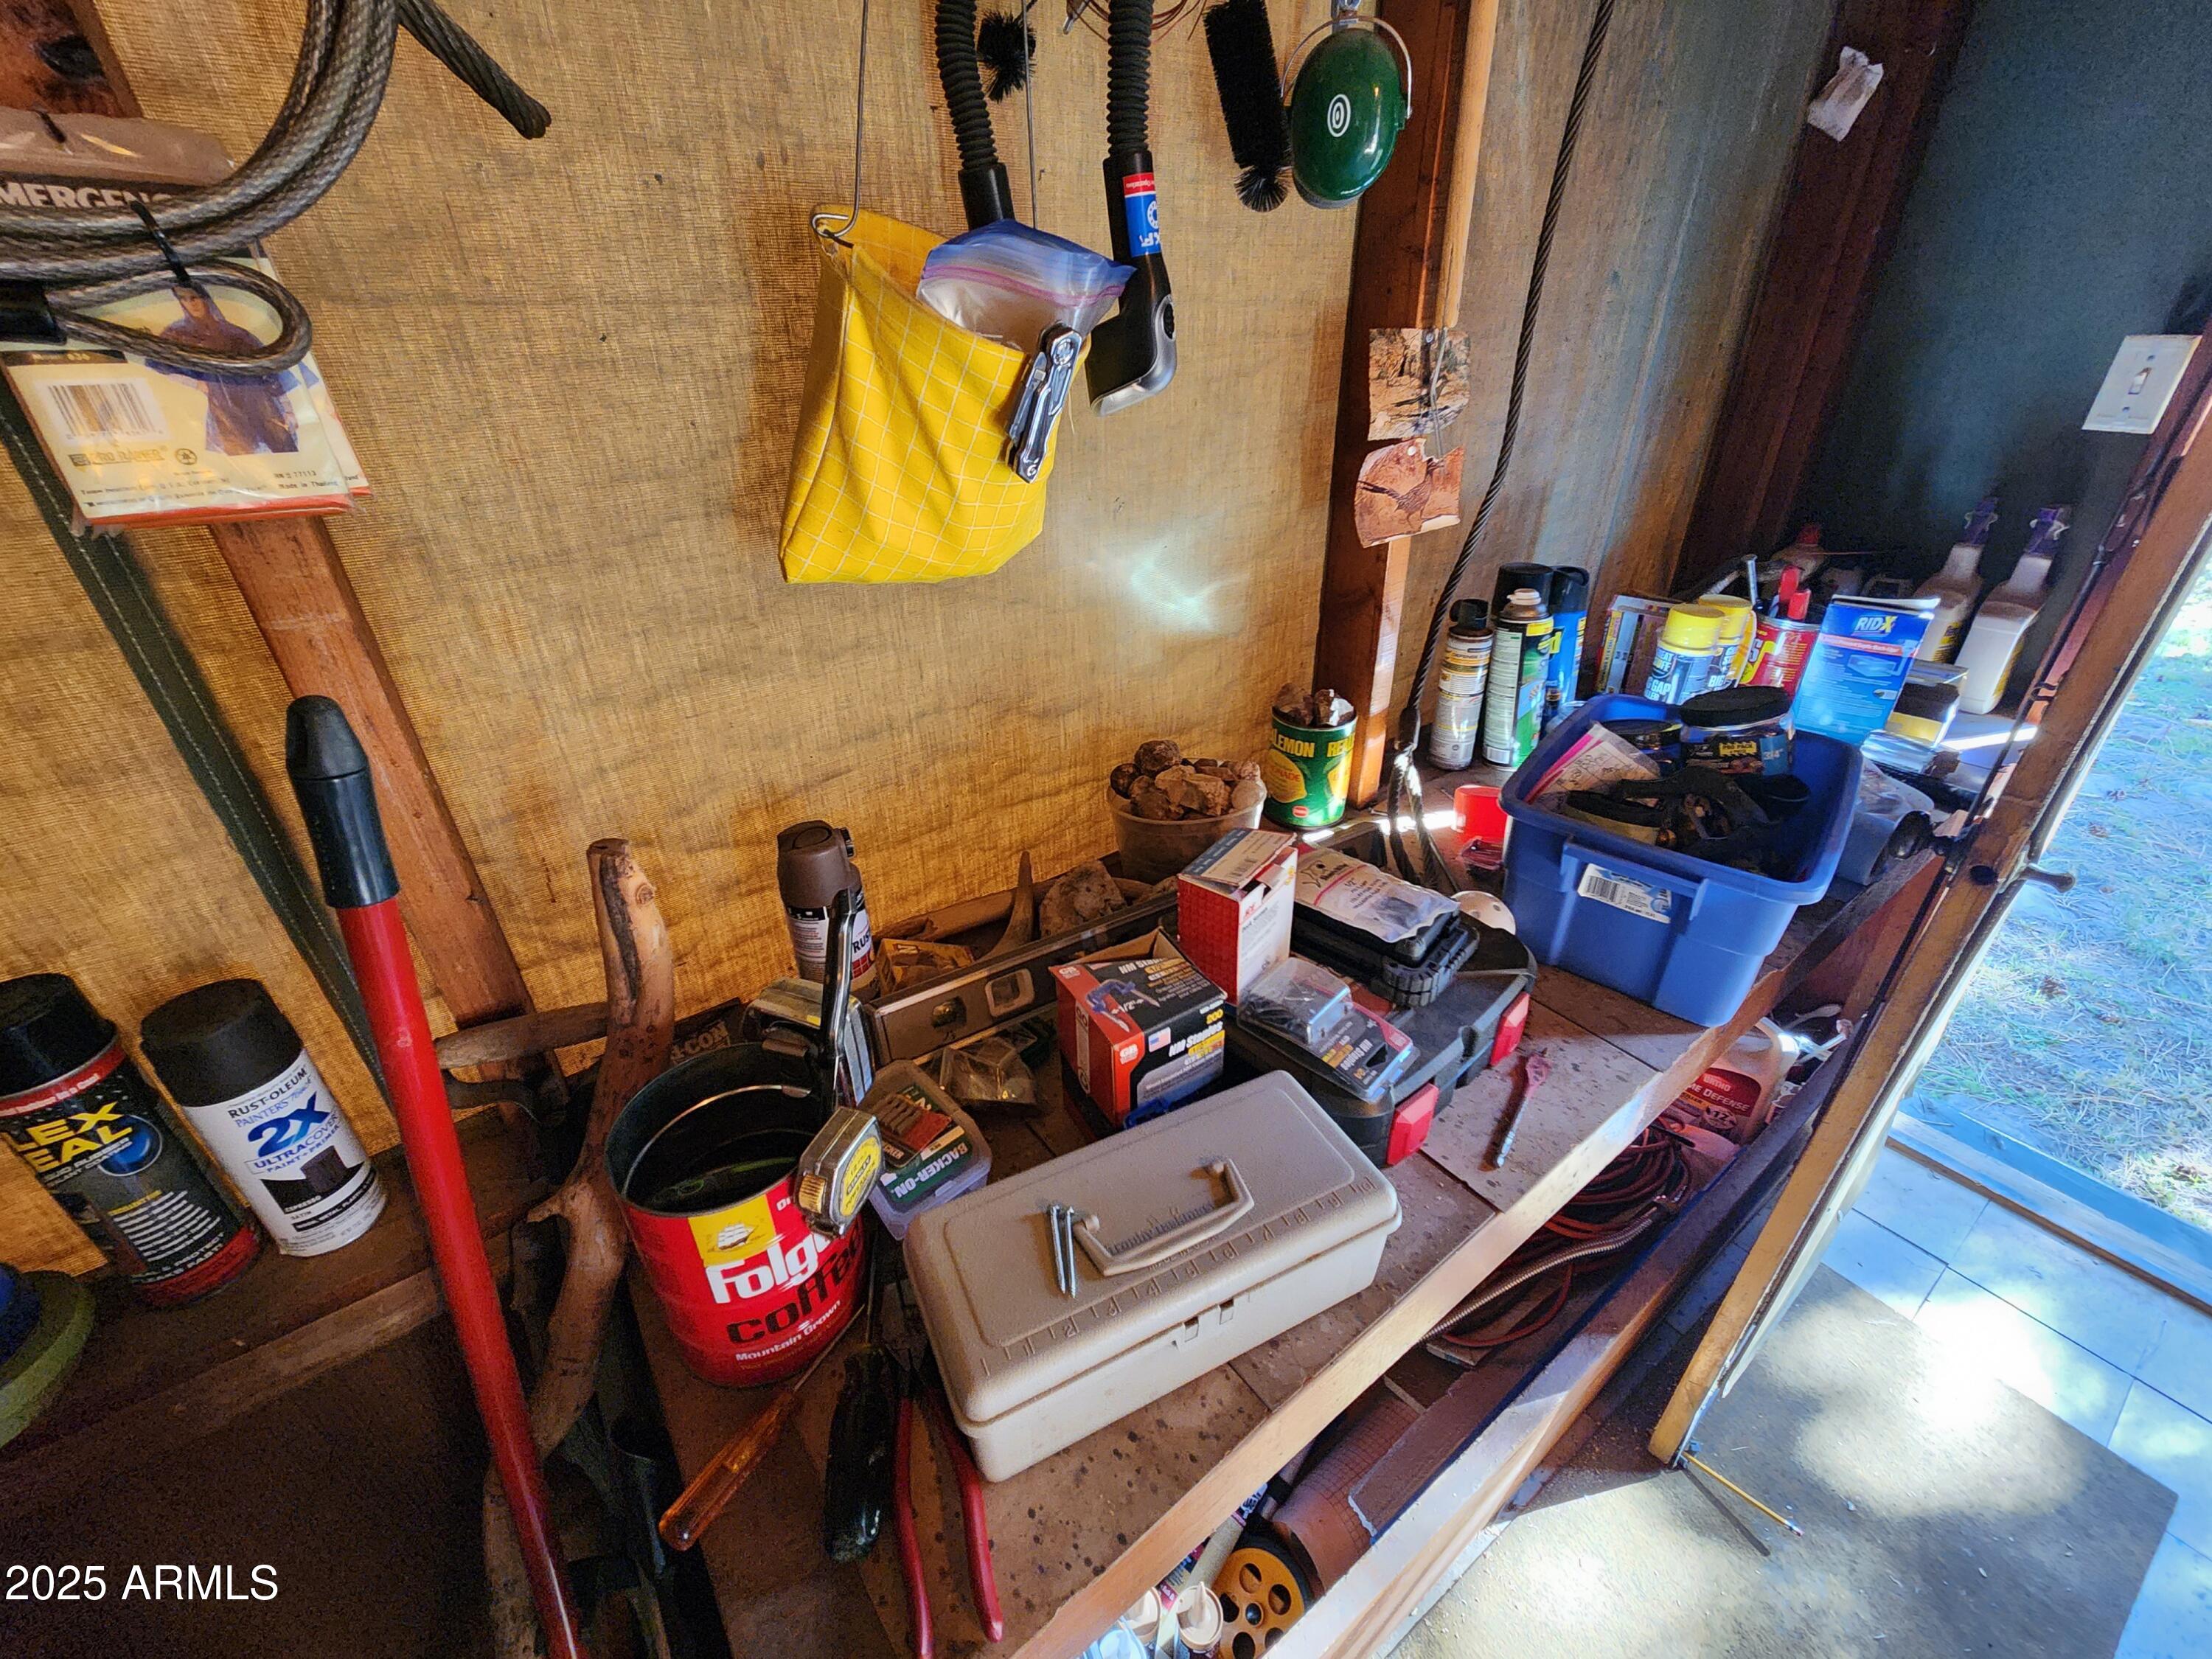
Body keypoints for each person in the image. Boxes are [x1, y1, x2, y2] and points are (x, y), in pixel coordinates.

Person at [150, 284, 300, 456]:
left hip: (257, 399)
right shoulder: (175, 336)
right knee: (239, 453)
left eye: (195, 297)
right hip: (218, 405)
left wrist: (288, 409)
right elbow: (159, 370)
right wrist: (194, 383)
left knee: (284, 447)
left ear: (205, 298)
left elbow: (268, 372)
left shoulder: (235, 334)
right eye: (184, 299)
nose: (192, 304)